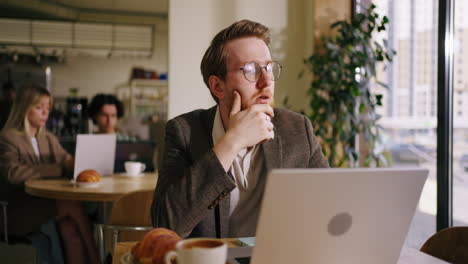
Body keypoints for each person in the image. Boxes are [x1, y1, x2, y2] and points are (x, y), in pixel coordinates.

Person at [151, 19, 329, 239]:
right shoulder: (183, 132)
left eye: (269, 68)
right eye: (251, 70)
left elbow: (329, 207)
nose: (266, 81)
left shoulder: (297, 129)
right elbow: (167, 226)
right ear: (218, 86)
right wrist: (232, 142)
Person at [0, 84, 99, 264]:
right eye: (39, 108)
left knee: (69, 229)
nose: (45, 113)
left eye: (47, 108)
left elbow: (66, 160)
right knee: (72, 203)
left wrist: (78, 162)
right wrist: (58, 168)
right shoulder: (8, 137)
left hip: (42, 204)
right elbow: (13, 173)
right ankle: (95, 258)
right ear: (24, 108)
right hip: (19, 208)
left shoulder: (48, 138)